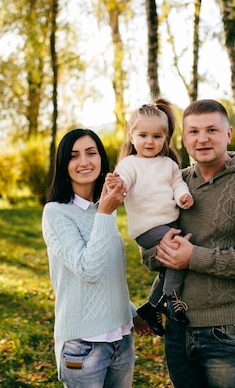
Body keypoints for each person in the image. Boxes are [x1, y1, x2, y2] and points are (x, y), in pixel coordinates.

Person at [142, 99, 235, 388]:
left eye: (211, 130)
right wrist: (161, 251)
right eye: (193, 131)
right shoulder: (176, 184)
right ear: (183, 138)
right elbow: (148, 254)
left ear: (229, 134)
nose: (202, 138)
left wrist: (193, 257)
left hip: (228, 331)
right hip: (178, 330)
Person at [41, 128, 152, 388]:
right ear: (63, 164)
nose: (84, 161)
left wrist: (131, 312)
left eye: (91, 153)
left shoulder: (103, 207)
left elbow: (106, 274)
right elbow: (88, 270)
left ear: (101, 158)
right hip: (84, 346)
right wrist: (104, 212)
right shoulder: (56, 213)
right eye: (74, 156)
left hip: (122, 339)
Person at [107, 99, 194, 336]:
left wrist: (183, 196)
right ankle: (171, 299)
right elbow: (123, 179)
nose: (149, 141)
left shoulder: (169, 164)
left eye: (157, 136)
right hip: (147, 228)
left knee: (170, 266)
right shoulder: (130, 164)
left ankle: (152, 306)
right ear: (131, 136)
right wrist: (118, 183)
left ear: (165, 138)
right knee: (179, 251)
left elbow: (178, 184)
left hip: (169, 223)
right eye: (143, 135)